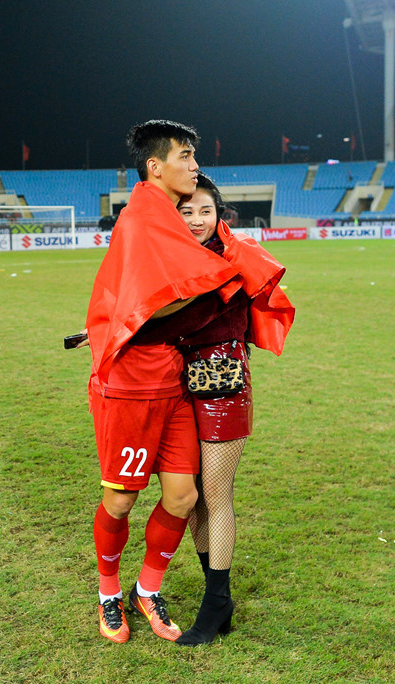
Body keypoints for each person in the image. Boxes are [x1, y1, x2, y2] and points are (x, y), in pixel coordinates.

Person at [84, 120, 242, 645]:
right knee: (122, 501)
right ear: (156, 166)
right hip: (129, 386)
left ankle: (146, 590)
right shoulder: (140, 219)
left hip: (172, 382)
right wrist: (226, 279)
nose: (194, 164)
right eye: (186, 155)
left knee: (181, 496)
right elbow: (153, 303)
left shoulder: (164, 216)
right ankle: (109, 594)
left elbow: (142, 301)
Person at [171, 173, 294, 645]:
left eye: (206, 210)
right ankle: (215, 597)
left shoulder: (235, 258)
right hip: (179, 384)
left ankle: (218, 599)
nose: (198, 219)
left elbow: (188, 316)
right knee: (193, 498)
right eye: (187, 211)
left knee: (216, 495)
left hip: (223, 382)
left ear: (219, 214)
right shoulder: (171, 257)